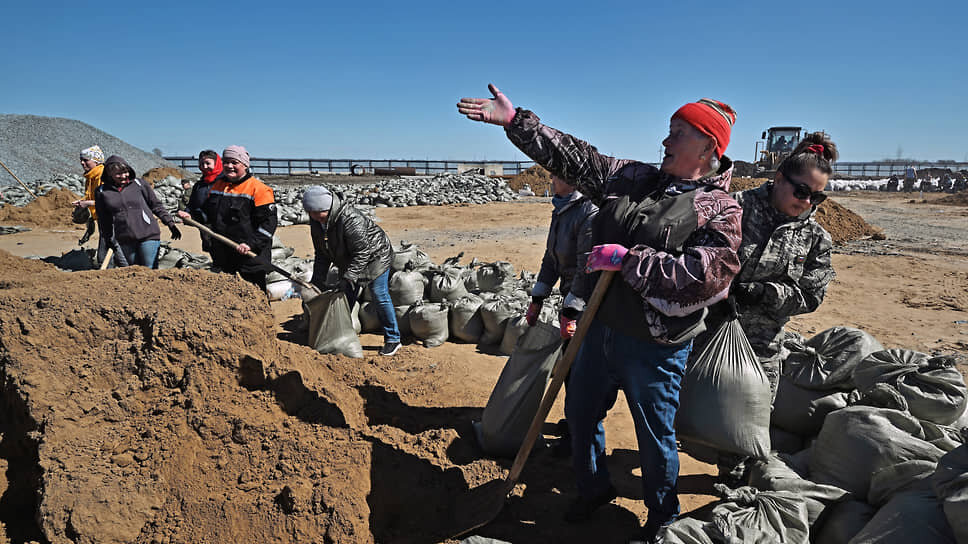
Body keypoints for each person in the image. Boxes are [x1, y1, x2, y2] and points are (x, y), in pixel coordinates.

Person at [458, 85, 742, 542]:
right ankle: (592, 488)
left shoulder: (720, 211)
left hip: (653, 346)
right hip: (598, 327)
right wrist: (518, 123)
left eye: (676, 133)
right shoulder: (635, 179)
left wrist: (629, 261)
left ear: (708, 146)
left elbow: (707, 277)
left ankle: (662, 512)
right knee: (581, 413)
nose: (664, 142)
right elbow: (579, 158)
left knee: (654, 435)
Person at [703, 133, 838, 484]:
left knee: (749, 420)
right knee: (689, 406)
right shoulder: (733, 208)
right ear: (779, 178)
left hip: (763, 343)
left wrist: (764, 293)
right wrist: (719, 288)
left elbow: (812, 293)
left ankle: (732, 481)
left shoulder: (815, 238)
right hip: (707, 331)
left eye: (817, 196)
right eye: (801, 192)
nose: (807, 202)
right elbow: (697, 255)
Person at [525, 174, 598, 456]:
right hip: (571, 299)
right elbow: (550, 259)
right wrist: (537, 298)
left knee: (580, 373)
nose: (551, 178)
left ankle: (579, 440)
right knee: (571, 371)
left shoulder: (588, 213)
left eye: (557, 174)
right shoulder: (562, 209)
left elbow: (586, 269)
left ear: (573, 180)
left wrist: (571, 311)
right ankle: (575, 427)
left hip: (587, 306)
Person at [302, 186, 402, 356]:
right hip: (349, 257)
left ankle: (393, 339)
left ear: (326, 208)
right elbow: (321, 253)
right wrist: (317, 281)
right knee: (343, 295)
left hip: (375, 256)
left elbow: (362, 252)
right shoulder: (317, 222)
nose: (313, 217)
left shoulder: (350, 218)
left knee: (379, 294)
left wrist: (349, 276)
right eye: (310, 213)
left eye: (316, 213)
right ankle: (337, 334)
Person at [198, 145, 277, 291]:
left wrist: (250, 244)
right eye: (226, 162)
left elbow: (268, 224)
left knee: (255, 295)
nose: (229, 166)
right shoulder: (218, 186)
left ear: (245, 165)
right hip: (224, 253)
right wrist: (191, 215)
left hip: (250, 256)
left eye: (234, 162)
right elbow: (209, 214)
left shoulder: (259, 189)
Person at [94, 155, 181, 268]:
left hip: (148, 234)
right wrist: (108, 239)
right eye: (118, 174)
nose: (124, 176)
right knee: (135, 270)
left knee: (149, 268)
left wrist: (170, 223)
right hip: (125, 238)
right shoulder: (102, 192)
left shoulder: (139, 184)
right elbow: (104, 219)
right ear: (109, 174)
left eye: (125, 172)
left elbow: (156, 205)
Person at [177, 150, 223, 255]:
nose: (204, 166)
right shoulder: (199, 185)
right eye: (202, 164)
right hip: (205, 227)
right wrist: (187, 213)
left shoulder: (225, 182)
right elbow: (192, 204)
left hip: (223, 229)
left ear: (216, 163)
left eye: (208, 163)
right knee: (214, 254)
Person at [72, 145, 105, 252]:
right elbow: (91, 196)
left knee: (108, 248)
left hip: (110, 218)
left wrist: (88, 203)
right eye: (81, 160)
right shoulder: (90, 177)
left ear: (97, 161)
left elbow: (109, 200)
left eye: (86, 160)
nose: (82, 163)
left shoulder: (104, 176)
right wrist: (83, 201)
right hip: (101, 216)